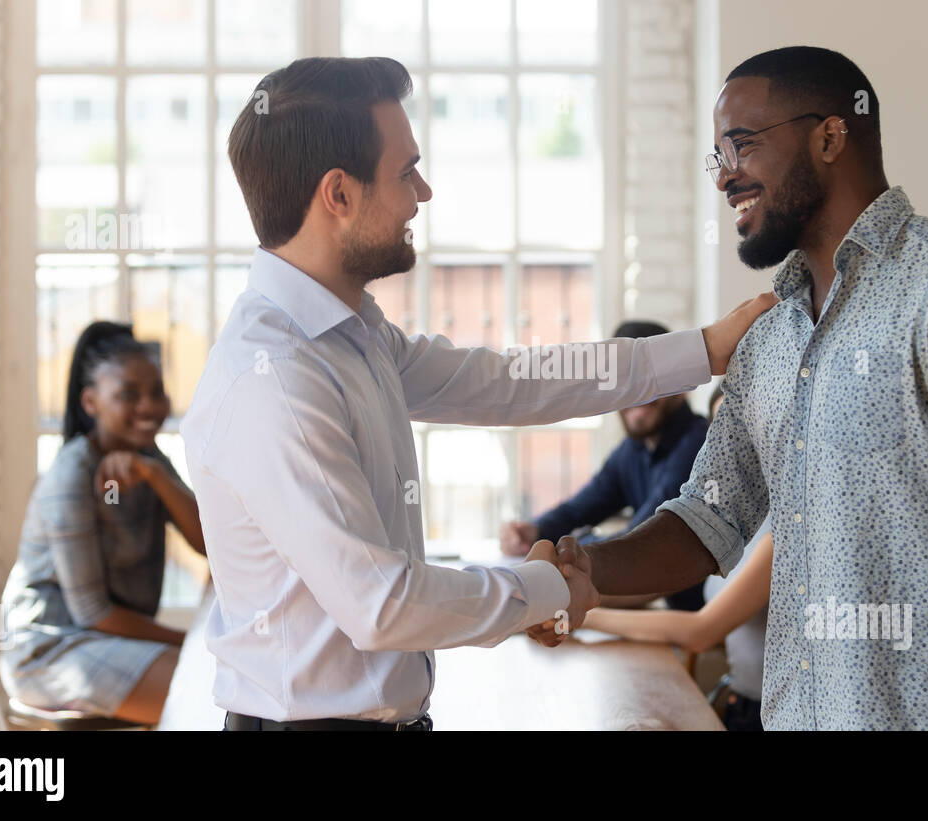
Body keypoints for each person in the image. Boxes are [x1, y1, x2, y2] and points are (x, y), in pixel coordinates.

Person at [179, 56, 775, 731]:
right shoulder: (278, 377)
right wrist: (548, 590)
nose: (422, 193)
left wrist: (702, 349)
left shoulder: (351, 336)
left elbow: (512, 382)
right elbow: (383, 604)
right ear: (338, 195)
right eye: (406, 172)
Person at [529, 46, 928, 732]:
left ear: (829, 135)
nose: (725, 175)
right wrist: (576, 571)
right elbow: (706, 521)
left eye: (743, 145)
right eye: (718, 155)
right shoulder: (768, 335)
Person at [0, 321, 206, 724]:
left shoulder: (148, 458)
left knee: (213, 677)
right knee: (204, 685)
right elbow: (95, 613)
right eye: (128, 395)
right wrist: (194, 643)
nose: (149, 406)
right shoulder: (71, 475)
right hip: (50, 651)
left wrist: (156, 477)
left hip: (106, 641)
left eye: (156, 392)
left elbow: (206, 541)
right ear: (91, 402)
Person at [583, 386, 769, 730]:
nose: (734, 449)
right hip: (740, 703)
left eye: (746, 429)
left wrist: (580, 617)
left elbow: (702, 630)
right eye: (723, 433)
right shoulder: (731, 524)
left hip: (771, 717)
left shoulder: (785, 527)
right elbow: (651, 577)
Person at [501, 320, 709, 611]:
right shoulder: (632, 452)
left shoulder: (700, 443)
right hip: (661, 617)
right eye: (625, 380)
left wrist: (570, 554)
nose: (638, 391)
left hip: (698, 632)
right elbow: (578, 509)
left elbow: (638, 542)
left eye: (651, 378)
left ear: (681, 383)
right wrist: (532, 532)